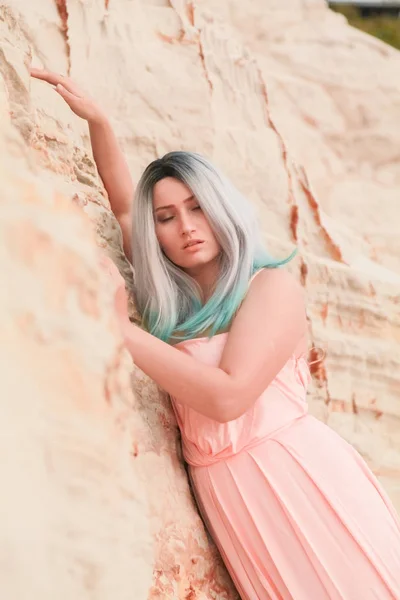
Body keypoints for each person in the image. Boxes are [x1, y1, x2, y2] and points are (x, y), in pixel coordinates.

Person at [31, 68, 400, 600]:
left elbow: (227, 396)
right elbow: (119, 203)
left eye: (198, 206)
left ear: (221, 206)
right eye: (167, 216)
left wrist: (120, 332)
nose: (186, 226)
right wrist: (101, 122)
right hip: (233, 501)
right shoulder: (175, 302)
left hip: (305, 483)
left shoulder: (269, 288)